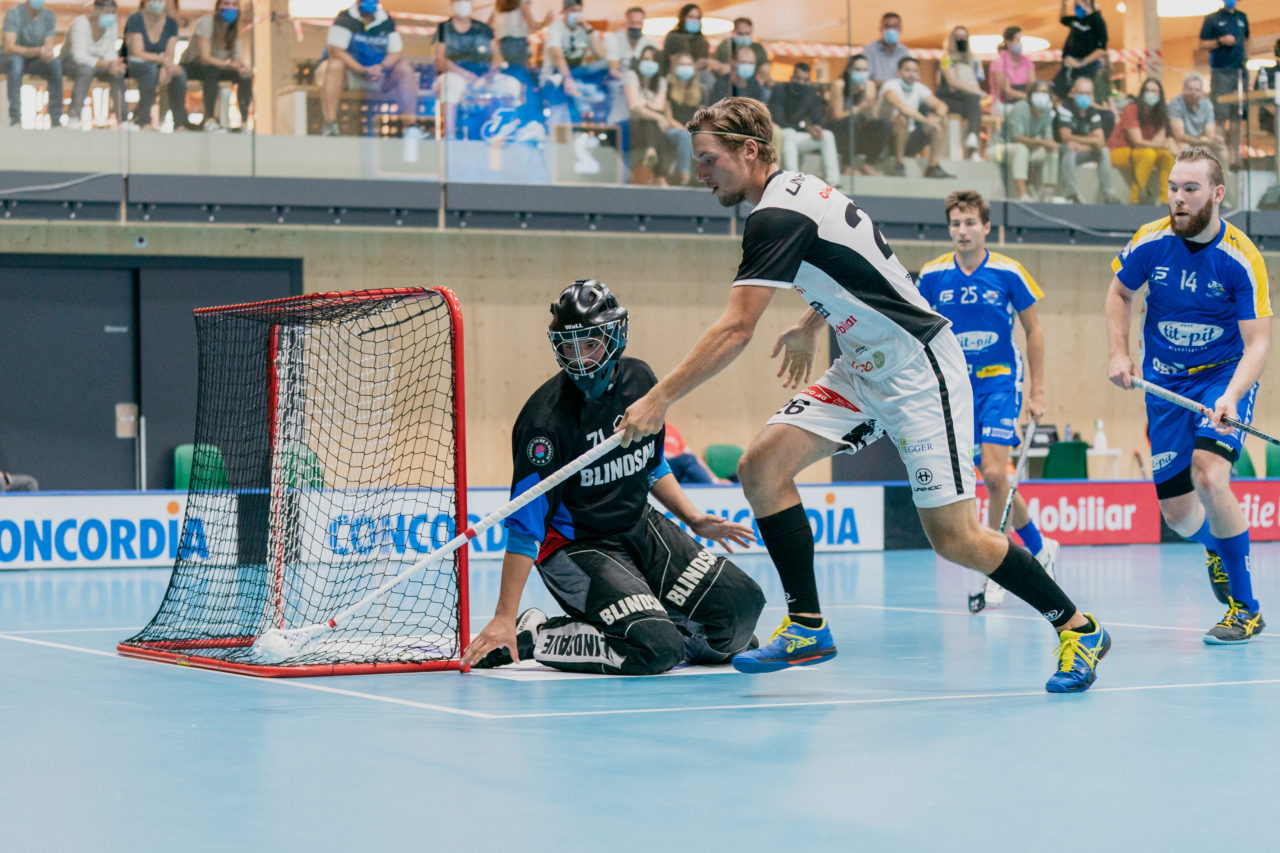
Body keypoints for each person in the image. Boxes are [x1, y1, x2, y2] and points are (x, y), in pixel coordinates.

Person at [617, 97, 1110, 692]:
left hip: (917, 369)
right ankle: (806, 625)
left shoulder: (774, 215)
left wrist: (658, 399)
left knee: (955, 539)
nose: (700, 171)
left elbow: (736, 328)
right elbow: (856, 269)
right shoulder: (796, 190)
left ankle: (1077, 625)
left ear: (749, 151)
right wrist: (810, 324)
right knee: (762, 467)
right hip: (861, 364)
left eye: (709, 158)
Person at [461, 279, 765, 675]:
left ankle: (654, 625)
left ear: (615, 335)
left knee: (740, 613)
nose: (579, 358)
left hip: (639, 526)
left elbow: (651, 464)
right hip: (576, 546)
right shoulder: (544, 422)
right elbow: (525, 526)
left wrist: (693, 518)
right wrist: (504, 614)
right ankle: (539, 635)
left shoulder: (641, 381)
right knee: (656, 651)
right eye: (568, 347)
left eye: (589, 343)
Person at [1105, 145, 1271, 644]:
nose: (1177, 198)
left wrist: (1231, 397)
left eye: (1190, 189)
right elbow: (1119, 293)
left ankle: (1245, 608)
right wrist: (1118, 352)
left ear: (1217, 194)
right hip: (1163, 384)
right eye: (1173, 188)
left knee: (1210, 475)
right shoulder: (1150, 242)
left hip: (1222, 377)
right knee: (1178, 517)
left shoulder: (1241, 258)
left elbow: (1258, 342)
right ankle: (1214, 546)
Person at [917, 190, 1059, 611]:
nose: (963, 231)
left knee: (996, 475)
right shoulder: (932, 275)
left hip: (1000, 383)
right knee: (990, 479)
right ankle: (1038, 546)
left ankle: (997, 566)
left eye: (970, 223)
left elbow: (1033, 330)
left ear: (986, 227)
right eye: (956, 224)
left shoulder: (1009, 272)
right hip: (957, 390)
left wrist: (1037, 389)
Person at [318, 0, 418, 137]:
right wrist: (362, 70)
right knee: (334, 65)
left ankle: (411, 128)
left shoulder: (386, 21)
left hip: (379, 75)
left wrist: (380, 68)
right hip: (351, 74)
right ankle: (330, 124)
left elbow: (396, 52)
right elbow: (336, 51)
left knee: (405, 68)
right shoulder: (345, 19)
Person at [179, 0, 252, 131]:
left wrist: (242, 67)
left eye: (234, 5)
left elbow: (236, 58)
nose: (230, 8)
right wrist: (228, 64)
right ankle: (210, 119)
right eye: (226, 4)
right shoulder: (206, 22)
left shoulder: (235, 29)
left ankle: (245, 122)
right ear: (219, 6)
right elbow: (205, 58)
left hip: (218, 67)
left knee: (245, 76)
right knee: (211, 70)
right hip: (192, 66)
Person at [879, 56, 953, 178]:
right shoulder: (890, 85)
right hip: (888, 139)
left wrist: (937, 117)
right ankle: (899, 164)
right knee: (903, 118)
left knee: (943, 120)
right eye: (907, 70)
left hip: (910, 138)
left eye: (915, 71)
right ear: (899, 72)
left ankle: (933, 166)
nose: (911, 74)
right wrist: (926, 121)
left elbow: (942, 105)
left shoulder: (919, 87)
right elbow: (902, 107)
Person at [435, 0, 500, 138]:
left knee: (510, 85)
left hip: (484, 77)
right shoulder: (444, 28)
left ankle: (502, 131)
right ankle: (449, 134)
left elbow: (497, 57)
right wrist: (465, 75)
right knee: (449, 86)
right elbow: (440, 60)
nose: (464, 4)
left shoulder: (484, 29)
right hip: (455, 74)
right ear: (452, 4)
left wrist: (490, 75)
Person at [769, 62, 839, 186]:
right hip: (782, 135)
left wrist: (817, 128)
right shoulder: (780, 90)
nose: (801, 83)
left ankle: (834, 182)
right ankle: (794, 180)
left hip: (799, 136)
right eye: (798, 78)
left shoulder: (810, 94)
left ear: (809, 81)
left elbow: (816, 118)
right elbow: (780, 121)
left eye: (805, 80)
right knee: (789, 133)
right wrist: (806, 128)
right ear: (791, 78)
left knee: (827, 135)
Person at [989, 79, 1059, 201]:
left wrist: (1050, 144)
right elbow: (1018, 138)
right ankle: (1022, 194)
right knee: (1021, 149)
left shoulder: (1047, 112)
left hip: (1027, 149)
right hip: (999, 149)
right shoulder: (1020, 108)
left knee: (1052, 151)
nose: (1043, 95)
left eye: (1045, 92)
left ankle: (1048, 194)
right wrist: (1041, 142)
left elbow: (1048, 137)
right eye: (1039, 92)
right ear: (1031, 95)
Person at [1199, 0, 1249, 171]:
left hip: (1240, 73)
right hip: (1220, 72)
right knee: (1220, 116)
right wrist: (1220, 41)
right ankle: (1220, 155)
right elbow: (1202, 44)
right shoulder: (1212, 19)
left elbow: (1247, 40)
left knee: (1236, 117)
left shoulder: (1242, 17)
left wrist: (1246, 60)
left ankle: (1235, 158)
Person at [1108, 77, 1174, 204]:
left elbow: (1162, 142)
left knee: (1167, 156)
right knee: (1148, 154)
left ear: (1160, 95)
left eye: (1155, 91)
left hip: (1144, 150)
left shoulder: (1161, 113)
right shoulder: (1131, 109)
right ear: (1142, 93)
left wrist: (1158, 144)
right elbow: (1137, 141)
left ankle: (1167, 200)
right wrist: (1156, 144)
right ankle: (1136, 198)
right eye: (1147, 90)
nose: (1151, 94)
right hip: (1118, 150)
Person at [124, 0, 189, 130]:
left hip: (159, 64)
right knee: (150, 71)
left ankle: (179, 123)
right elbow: (137, 51)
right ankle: (144, 120)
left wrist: (167, 67)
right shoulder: (135, 19)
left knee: (179, 73)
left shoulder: (171, 24)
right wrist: (162, 61)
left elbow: (170, 53)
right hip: (136, 63)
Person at [1055, 75, 1120, 204]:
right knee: (1069, 149)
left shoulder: (1093, 112)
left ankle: (1108, 193)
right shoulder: (1065, 108)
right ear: (1074, 92)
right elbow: (1065, 137)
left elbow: (1100, 141)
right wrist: (1090, 140)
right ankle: (1071, 194)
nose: (1084, 96)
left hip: (1082, 150)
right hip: (1062, 151)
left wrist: (1082, 145)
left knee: (1104, 151)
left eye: (1088, 93)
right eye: (1081, 93)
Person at [63, 0, 125, 128]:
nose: (111, 16)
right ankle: (74, 117)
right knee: (86, 71)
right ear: (96, 11)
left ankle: (123, 120)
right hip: (72, 63)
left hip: (99, 64)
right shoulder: (80, 23)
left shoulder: (112, 26)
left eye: (113, 13)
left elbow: (110, 51)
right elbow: (80, 56)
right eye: (107, 12)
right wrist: (107, 64)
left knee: (118, 74)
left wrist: (114, 64)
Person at [3, 0, 63, 127]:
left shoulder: (49, 16)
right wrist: (37, 50)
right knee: (16, 62)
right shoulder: (14, 13)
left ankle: (56, 119)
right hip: (12, 59)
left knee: (55, 65)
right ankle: (15, 119)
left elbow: (48, 45)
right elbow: (9, 48)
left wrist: (47, 54)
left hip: (35, 61)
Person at [827, 53, 883, 175]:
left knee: (884, 124)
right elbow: (836, 116)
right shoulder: (840, 85)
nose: (862, 73)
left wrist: (872, 106)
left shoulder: (869, 85)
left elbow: (872, 117)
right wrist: (859, 108)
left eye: (865, 70)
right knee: (853, 120)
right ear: (849, 70)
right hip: (841, 130)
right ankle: (846, 165)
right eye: (858, 69)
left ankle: (869, 165)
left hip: (860, 130)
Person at [937, 25, 985, 158]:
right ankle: (972, 142)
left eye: (964, 37)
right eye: (958, 37)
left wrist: (975, 91)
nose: (961, 40)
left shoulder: (975, 61)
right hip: (951, 98)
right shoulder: (947, 58)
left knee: (974, 104)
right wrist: (975, 91)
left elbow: (976, 81)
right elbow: (952, 82)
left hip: (968, 100)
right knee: (974, 99)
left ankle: (973, 139)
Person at [624, 45, 669, 185]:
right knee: (652, 122)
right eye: (645, 59)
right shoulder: (631, 76)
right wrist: (659, 116)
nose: (648, 63)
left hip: (650, 127)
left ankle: (651, 151)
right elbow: (633, 106)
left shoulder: (661, 81)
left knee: (650, 123)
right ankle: (661, 178)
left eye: (652, 60)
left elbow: (659, 106)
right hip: (630, 124)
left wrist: (644, 104)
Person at [662, 51, 704, 185]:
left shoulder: (700, 90)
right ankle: (685, 175)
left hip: (691, 131)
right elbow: (668, 118)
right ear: (675, 67)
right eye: (682, 64)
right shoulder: (668, 88)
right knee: (684, 136)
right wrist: (685, 129)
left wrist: (691, 129)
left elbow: (701, 117)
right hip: (673, 130)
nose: (685, 67)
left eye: (688, 64)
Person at [1169, 73, 1228, 166]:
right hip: (1181, 143)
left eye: (1197, 90)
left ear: (1201, 92)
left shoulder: (1207, 104)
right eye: (1190, 89)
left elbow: (1210, 134)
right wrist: (1202, 140)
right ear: (1183, 90)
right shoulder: (1175, 104)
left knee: (1222, 151)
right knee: (1187, 151)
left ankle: (1221, 180)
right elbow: (1179, 136)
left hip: (1201, 142)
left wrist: (1213, 140)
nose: (1193, 92)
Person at [1053, 0, 1107, 100]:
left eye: (1077, 4)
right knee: (1056, 91)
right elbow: (1062, 19)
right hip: (1069, 65)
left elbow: (1101, 50)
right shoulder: (1077, 20)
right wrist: (1063, 4)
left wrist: (1081, 63)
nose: (1075, 6)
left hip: (1085, 68)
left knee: (1081, 94)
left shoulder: (1097, 21)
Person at [492, 0, 551, 68]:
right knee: (518, 69)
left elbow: (489, 24)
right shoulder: (522, 2)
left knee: (508, 69)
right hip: (518, 42)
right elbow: (533, 25)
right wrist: (546, 22)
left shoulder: (499, 4)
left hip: (503, 43)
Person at [990, 25, 1033, 114]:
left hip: (1023, 101)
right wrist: (1028, 97)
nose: (1020, 43)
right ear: (1008, 42)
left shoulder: (1026, 61)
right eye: (1017, 40)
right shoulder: (1000, 61)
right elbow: (1006, 90)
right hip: (1004, 104)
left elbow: (1032, 83)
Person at [660, 4, 712, 78]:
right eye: (691, 17)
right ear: (683, 18)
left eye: (697, 18)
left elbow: (703, 65)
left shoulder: (702, 40)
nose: (694, 20)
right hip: (674, 79)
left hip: (696, 80)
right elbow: (664, 62)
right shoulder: (673, 37)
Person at [865, 11, 911, 84]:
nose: (891, 30)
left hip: (897, 93)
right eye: (887, 26)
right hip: (876, 92)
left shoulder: (904, 52)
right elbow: (866, 79)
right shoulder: (870, 50)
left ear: (900, 29)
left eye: (894, 26)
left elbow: (907, 78)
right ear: (880, 29)